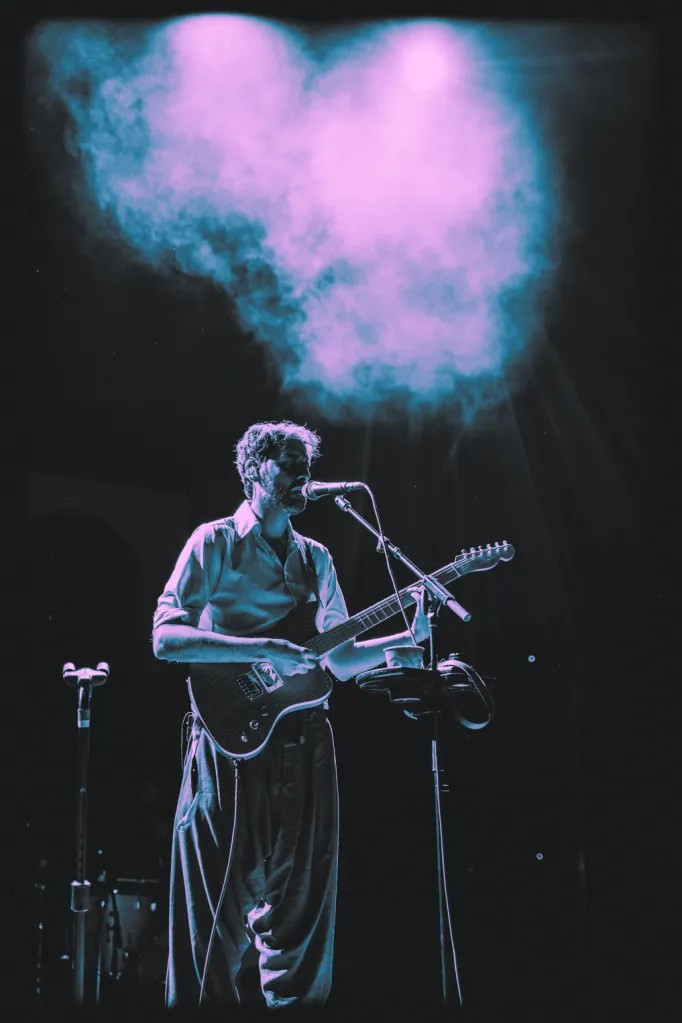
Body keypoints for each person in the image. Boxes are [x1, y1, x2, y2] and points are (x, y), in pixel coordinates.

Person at [152, 420, 429, 1009]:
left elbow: (343, 659)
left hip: (305, 743)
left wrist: (404, 642)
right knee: (214, 916)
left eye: (307, 464)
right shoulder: (215, 542)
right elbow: (166, 638)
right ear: (255, 471)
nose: (303, 475)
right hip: (229, 747)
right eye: (289, 464)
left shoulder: (316, 558)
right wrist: (262, 648)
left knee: (303, 910)